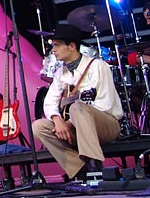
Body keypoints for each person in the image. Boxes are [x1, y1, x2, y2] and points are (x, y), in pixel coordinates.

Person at [32, 23, 123, 181]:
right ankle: (79, 168)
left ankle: (94, 164)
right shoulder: (60, 73)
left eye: (57, 45)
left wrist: (68, 123)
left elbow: (104, 105)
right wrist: (57, 120)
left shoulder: (98, 66)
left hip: (106, 125)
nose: (53, 50)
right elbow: (49, 102)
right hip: (77, 127)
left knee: (77, 107)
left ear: (72, 46)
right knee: (38, 126)